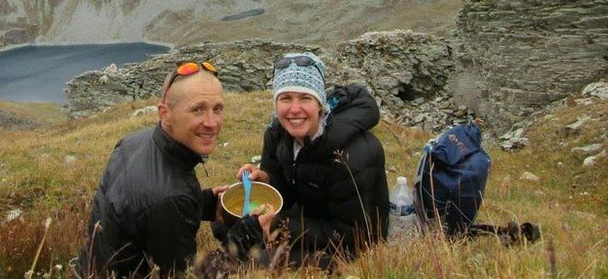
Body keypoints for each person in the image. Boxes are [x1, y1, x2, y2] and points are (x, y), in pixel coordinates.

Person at [235, 52, 389, 266]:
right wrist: (266, 180)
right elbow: (285, 197)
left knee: (258, 260)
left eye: (305, 98)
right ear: (275, 103)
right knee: (229, 225)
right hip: (309, 216)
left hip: (351, 242)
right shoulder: (278, 134)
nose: (294, 109)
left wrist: (280, 226)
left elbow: (351, 235)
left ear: (320, 104)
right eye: (286, 98)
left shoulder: (350, 156)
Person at [77, 61, 226, 277]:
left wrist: (206, 203)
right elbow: (181, 275)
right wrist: (245, 238)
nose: (212, 123)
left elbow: (138, 212)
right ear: (165, 114)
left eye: (217, 109)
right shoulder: (168, 199)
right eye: (198, 110)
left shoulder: (133, 142)